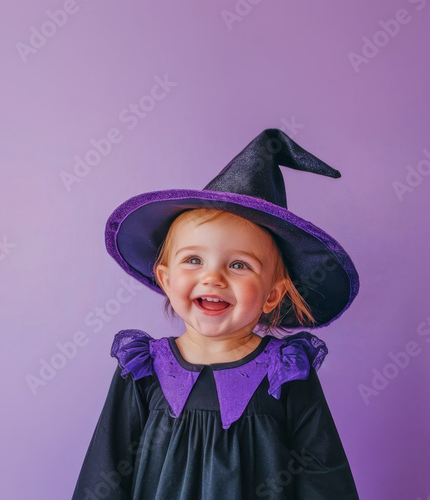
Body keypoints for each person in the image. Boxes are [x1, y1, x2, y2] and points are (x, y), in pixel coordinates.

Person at [72, 129, 361, 499]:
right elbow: (106, 469)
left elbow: (322, 473)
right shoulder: (143, 369)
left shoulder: (285, 371)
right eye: (193, 260)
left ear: (272, 295)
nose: (213, 277)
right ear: (165, 278)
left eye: (239, 265)